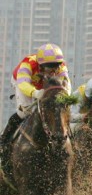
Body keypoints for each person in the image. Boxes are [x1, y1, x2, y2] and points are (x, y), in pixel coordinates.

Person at [2, 43, 72, 175]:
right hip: (24, 83)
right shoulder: (27, 64)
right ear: (40, 65)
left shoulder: (62, 66)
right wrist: (36, 93)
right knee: (24, 112)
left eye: (55, 67)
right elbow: (23, 85)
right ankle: (4, 142)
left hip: (47, 85)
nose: (52, 71)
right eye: (48, 68)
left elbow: (67, 87)